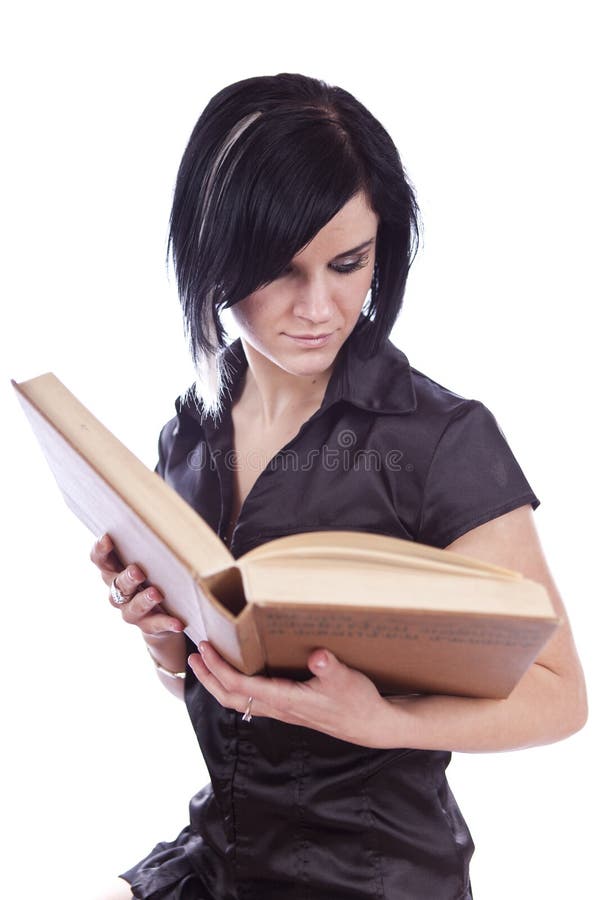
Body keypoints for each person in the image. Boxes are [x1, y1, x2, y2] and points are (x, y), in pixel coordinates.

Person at [90, 73, 587, 900]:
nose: (319, 307)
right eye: (280, 270)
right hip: (221, 855)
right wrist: (159, 637)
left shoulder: (440, 440)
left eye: (349, 263)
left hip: (371, 876)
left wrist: (384, 722)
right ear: (216, 260)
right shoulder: (189, 432)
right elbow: (204, 681)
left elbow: (562, 697)